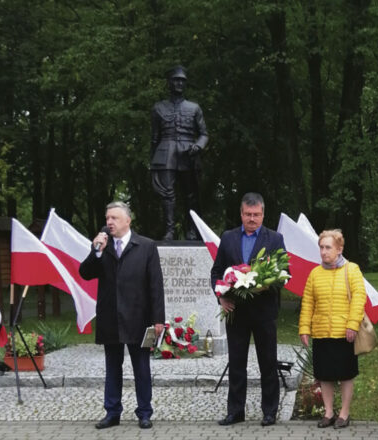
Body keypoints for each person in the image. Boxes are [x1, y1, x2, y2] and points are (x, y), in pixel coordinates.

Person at [79, 202, 165, 430]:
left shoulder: (146, 246)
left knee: (141, 368)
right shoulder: (103, 247)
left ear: (128, 221)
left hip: (138, 316)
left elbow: (156, 285)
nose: (109, 222)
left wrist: (158, 319)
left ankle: (144, 413)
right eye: (107, 218)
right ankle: (112, 412)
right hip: (111, 317)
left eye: (114, 218)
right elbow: (85, 273)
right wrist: (96, 251)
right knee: (112, 368)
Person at [210, 192, 286, 427]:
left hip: (264, 312)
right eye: (248, 214)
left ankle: (269, 411)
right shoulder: (228, 237)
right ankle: (235, 412)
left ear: (263, 214)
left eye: (256, 214)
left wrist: (267, 284)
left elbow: (284, 274)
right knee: (236, 363)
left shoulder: (275, 239)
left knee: (268, 363)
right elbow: (216, 272)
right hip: (236, 311)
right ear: (241, 214)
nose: (252, 218)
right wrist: (221, 298)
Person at [299, 229, 366, 429]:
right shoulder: (315, 273)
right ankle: (328, 413)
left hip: (344, 333)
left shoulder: (352, 269)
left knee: (346, 375)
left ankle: (344, 414)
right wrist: (304, 328)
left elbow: (359, 298)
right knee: (324, 375)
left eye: (328, 247)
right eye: (321, 247)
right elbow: (308, 303)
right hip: (321, 333)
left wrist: (352, 324)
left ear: (339, 249)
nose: (323, 251)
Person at [150, 65, 209, 241]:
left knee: (191, 194)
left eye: (182, 81)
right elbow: (155, 137)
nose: (179, 84)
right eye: (176, 80)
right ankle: (169, 230)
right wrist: (153, 161)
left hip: (188, 153)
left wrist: (198, 146)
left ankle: (192, 230)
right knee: (167, 194)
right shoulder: (158, 108)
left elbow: (204, 134)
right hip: (165, 152)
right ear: (169, 82)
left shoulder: (194, 108)